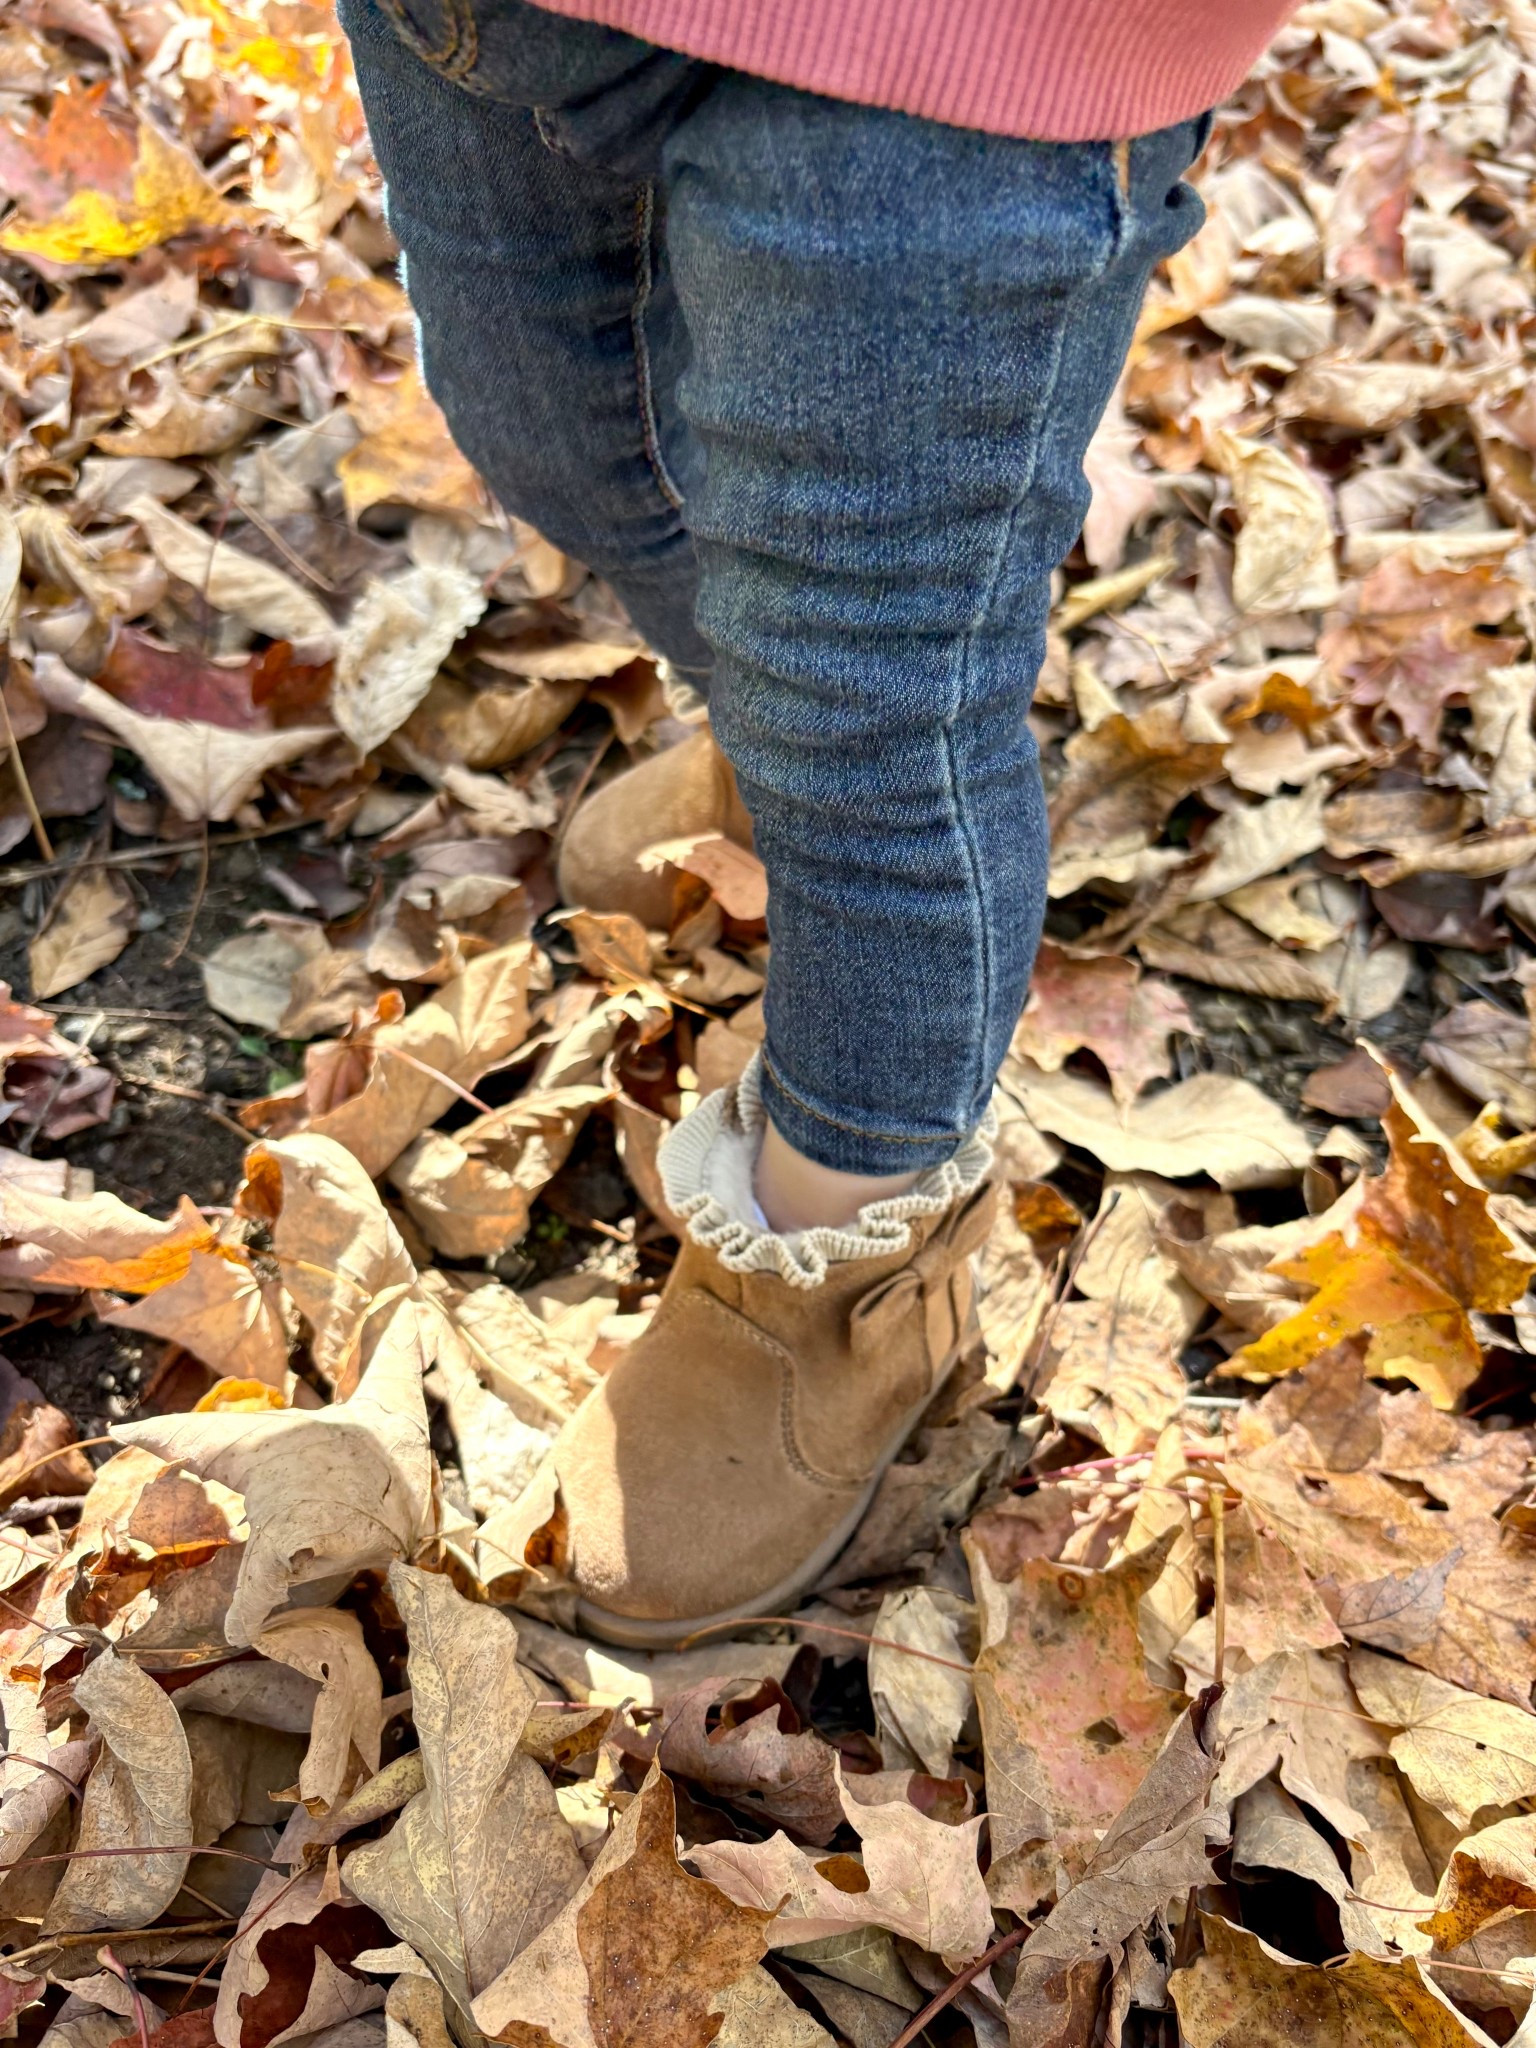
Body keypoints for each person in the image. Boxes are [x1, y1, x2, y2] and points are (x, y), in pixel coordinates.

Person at [338, 0, 1295, 1645]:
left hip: (959, 44)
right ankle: (780, 763)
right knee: (566, 431)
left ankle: (843, 1279)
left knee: (871, 694)